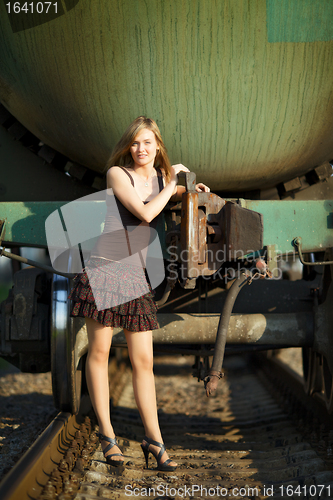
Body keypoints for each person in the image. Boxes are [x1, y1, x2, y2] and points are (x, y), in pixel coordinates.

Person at [68, 116, 210, 471]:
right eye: (135, 143)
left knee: (143, 362)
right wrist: (174, 181)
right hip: (105, 268)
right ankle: (108, 437)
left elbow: (172, 194)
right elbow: (146, 213)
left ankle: (154, 440)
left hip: (136, 277)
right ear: (128, 147)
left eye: (148, 143)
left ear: (158, 146)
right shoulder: (119, 174)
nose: (141, 149)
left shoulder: (161, 179)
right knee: (99, 353)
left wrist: (192, 189)